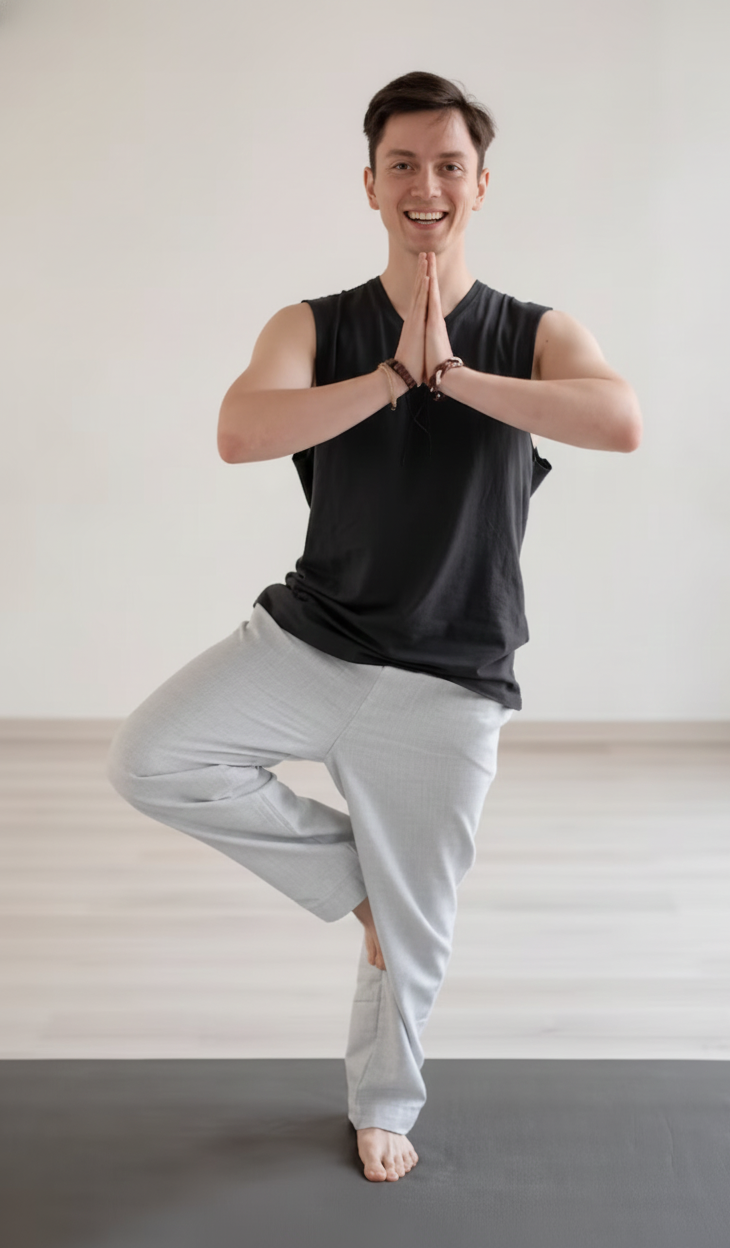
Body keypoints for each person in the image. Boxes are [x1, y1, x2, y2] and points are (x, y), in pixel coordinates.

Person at [106, 71, 642, 1184]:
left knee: (419, 939)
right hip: (308, 640)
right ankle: (360, 885)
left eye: (448, 165)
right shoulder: (313, 323)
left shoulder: (536, 332)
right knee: (151, 757)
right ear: (370, 185)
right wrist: (396, 372)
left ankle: (384, 1103)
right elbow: (241, 432)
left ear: (479, 185)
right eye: (402, 164)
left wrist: (457, 372)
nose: (425, 184)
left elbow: (617, 420)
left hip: (450, 679)